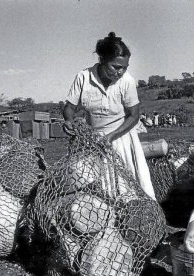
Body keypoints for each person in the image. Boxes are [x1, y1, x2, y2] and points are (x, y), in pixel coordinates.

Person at [62, 32, 156, 201]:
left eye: (124, 67)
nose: (120, 72)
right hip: (93, 140)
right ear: (102, 60)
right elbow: (70, 107)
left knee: (130, 188)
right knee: (100, 192)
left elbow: (134, 116)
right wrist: (68, 120)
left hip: (121, 137)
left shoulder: (127, 81)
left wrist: (112, 136)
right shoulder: (83, 77)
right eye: (115, 66)